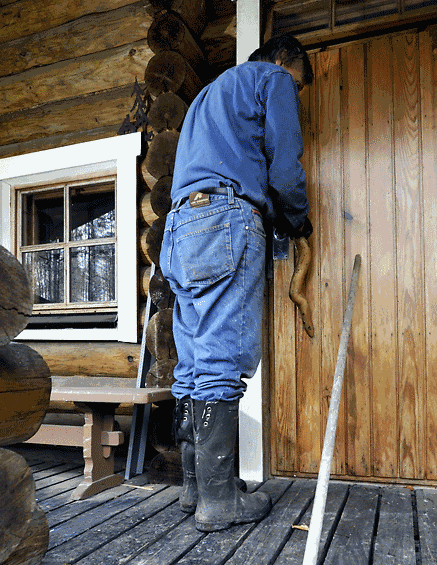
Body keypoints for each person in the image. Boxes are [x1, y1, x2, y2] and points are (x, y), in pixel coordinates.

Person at [159, 34, 314, 533]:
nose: (296, 91)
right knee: (225, 356)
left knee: (194, 359)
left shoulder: (206, 97)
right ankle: (220, 502)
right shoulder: (272, 79)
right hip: (226, 218)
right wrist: (299, 220)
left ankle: (197, 488)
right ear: (284, 61)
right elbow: (285, 167)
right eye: (299, 83)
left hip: (180, 228)